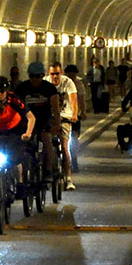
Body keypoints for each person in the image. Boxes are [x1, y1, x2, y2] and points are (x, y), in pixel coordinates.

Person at [0, 75, 35, 205]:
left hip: (14, 130)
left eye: (2, 91)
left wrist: (27, 133)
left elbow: (31, 117)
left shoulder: (14, 100)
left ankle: (20, 183)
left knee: (15, 158)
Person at [15, 61, 59, 182]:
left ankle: (48, 170)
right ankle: (21, 171)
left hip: (44, 121)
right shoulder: (22, 88)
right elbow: (15, 107)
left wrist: (56, 124)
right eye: (32, 76)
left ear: (42, 75)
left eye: (38, 76)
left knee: (47, 141)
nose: (35, 79)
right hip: (26, 123)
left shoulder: (49, 88)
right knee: (21, 144)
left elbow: (55, 108)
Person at [47, 61, 78, 190]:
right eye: (52, 74)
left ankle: (69, 177)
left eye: (57, 74)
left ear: (62, 73)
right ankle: (46, 172)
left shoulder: (68, 82)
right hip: (49, 117)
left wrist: (75, 114)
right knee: (45, 145)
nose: (55, 77)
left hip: (65, 116)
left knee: (65, 147)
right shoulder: (45, 83)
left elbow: (73, 99)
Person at [64, 64, 88, 173]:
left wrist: (83, 112)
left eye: (73, 74)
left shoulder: (79, 84)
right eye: (70, 74)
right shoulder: (62, 83)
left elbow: (82, 99)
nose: (72, 76)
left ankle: (74, 159)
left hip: (75, 116)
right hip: (63, 115)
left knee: (74, 139)